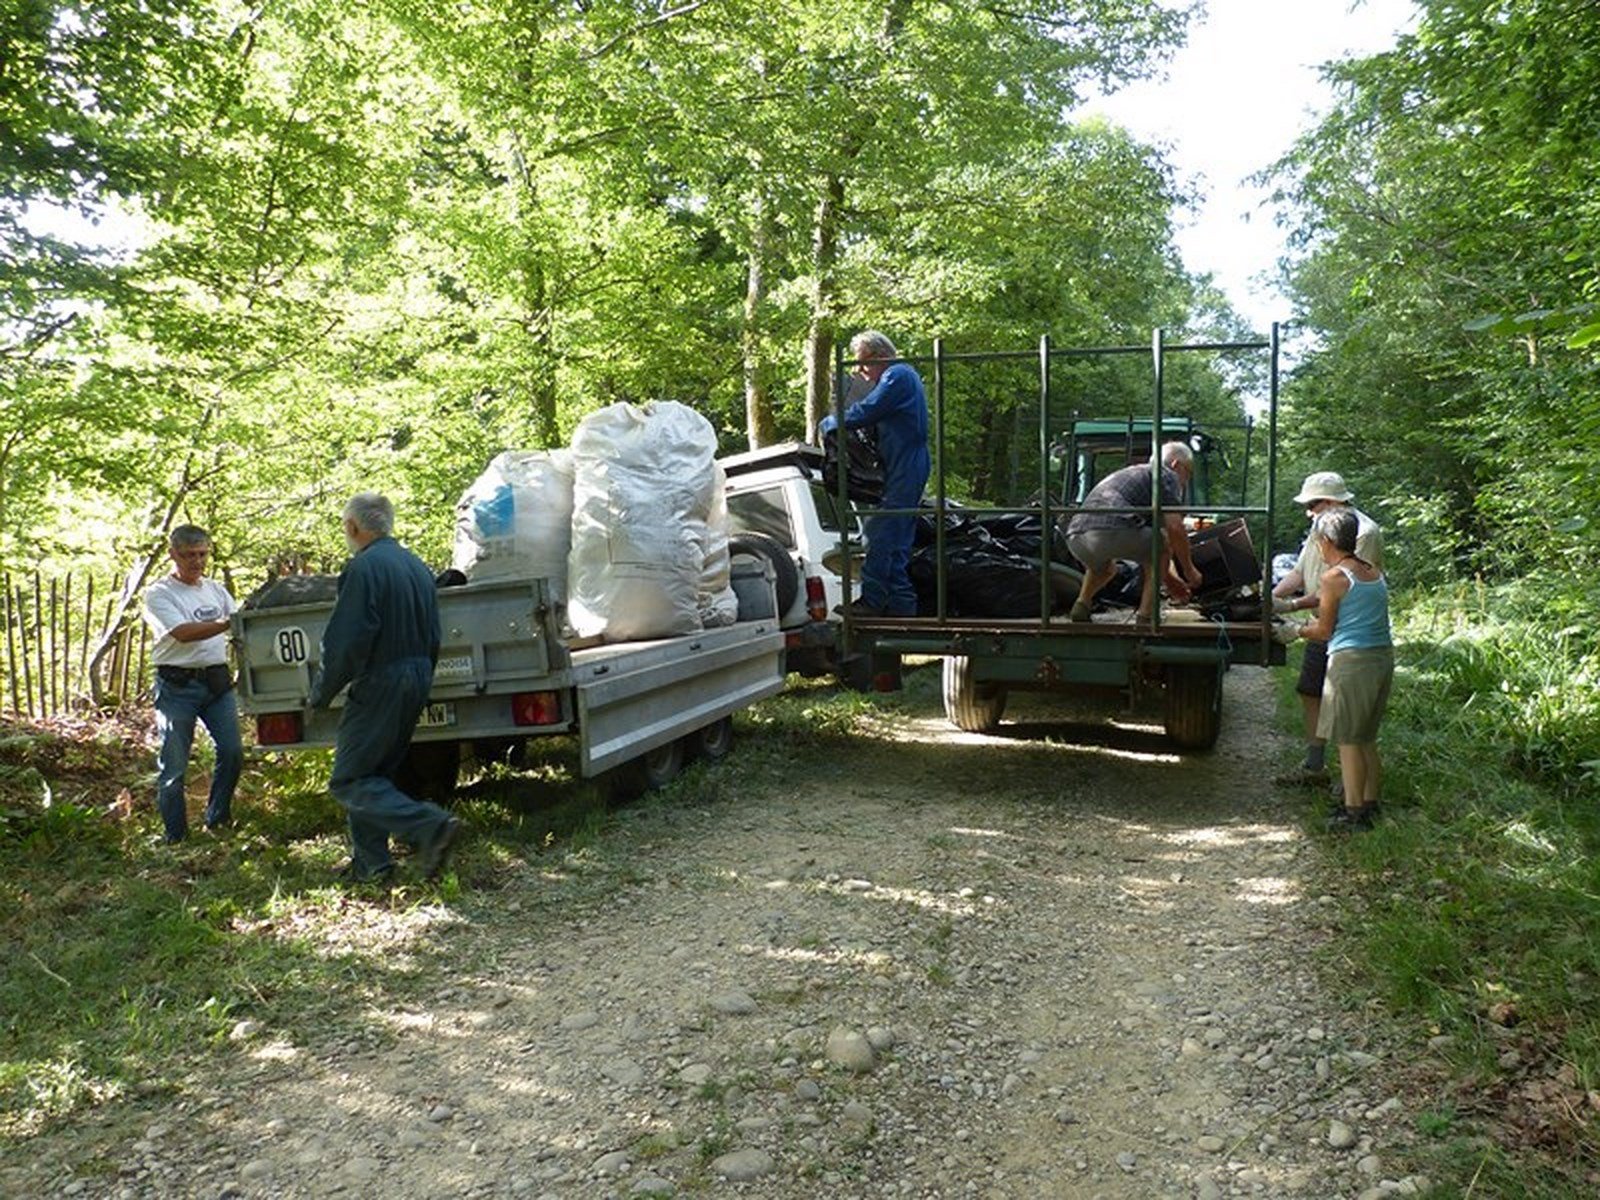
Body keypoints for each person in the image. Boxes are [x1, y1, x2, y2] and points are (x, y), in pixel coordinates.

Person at [308, 493, 460, 883]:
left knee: (350, 780)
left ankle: (430, 826)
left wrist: (321, 692)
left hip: (381, 679)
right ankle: (372, 864)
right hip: (417, 674)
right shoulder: (417, 566)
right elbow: (434, 633)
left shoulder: (363, 568)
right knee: (375, 774)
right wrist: (422, 678)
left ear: (352, 526)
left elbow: (346, 641)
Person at [1274, 507, 1393, 830]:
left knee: (1348, 739)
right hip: (1381, 658)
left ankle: (1353, 813)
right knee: (1366, 737)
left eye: (1318, 541)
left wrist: (1293, 630)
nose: (1318, 547)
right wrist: (1292, 605)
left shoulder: (1333, 577)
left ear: (1327, 541)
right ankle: (1369, 803)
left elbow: (1324, 631)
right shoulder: (1371, 571)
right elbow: (1333, 599)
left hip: (1351, 662)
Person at [1270, 471, 1384, 785]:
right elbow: (1299, 572)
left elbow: (1345, 584)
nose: (1308, 512)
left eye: (1313, 504)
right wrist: (1271, 600)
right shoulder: (1320, 527)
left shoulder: (1364, 533)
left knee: (1350, 719)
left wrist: (1293, 611)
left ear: (1333, 501)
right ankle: (1315, 765)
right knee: (1310, 691)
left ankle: (1354, 792)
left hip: (1348, 630)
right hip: (1322, 622)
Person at [819, 330, 930, 618]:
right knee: (897, 541)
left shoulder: (897, 375)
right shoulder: (902, 376)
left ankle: (873, 600)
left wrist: (830, 424)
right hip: (904, 463)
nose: (859, 371)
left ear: (878, 356)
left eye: (861, 363)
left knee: (879, 533)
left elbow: (868, 410)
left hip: (905, 464)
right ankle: (902, 607)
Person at [143, 525, 244, 843]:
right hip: (177, 686)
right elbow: (183, 633)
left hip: (216, 683)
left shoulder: (216, 590)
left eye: (202, 554)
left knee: (232, 751)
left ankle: (218, 818)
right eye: (188, 555)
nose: (196, 561)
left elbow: (242, 627)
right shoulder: (159, 593)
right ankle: (176, 836)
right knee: (174, 765)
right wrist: (228, 623)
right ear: (173, 554)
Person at [1063, 442, 1204, 624]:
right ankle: (1146, 615)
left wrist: (1171, 581)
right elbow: (1175, 529)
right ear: (1176, 465)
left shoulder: (1133, 474)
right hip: (1112, 529)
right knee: (1162, 545)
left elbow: (1150, 549)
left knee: (1106, 570)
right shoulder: (1166, 475)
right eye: (1188, 473)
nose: (1186, 481)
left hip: (1076, 537)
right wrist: (1189, 570)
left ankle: (1082, 605)